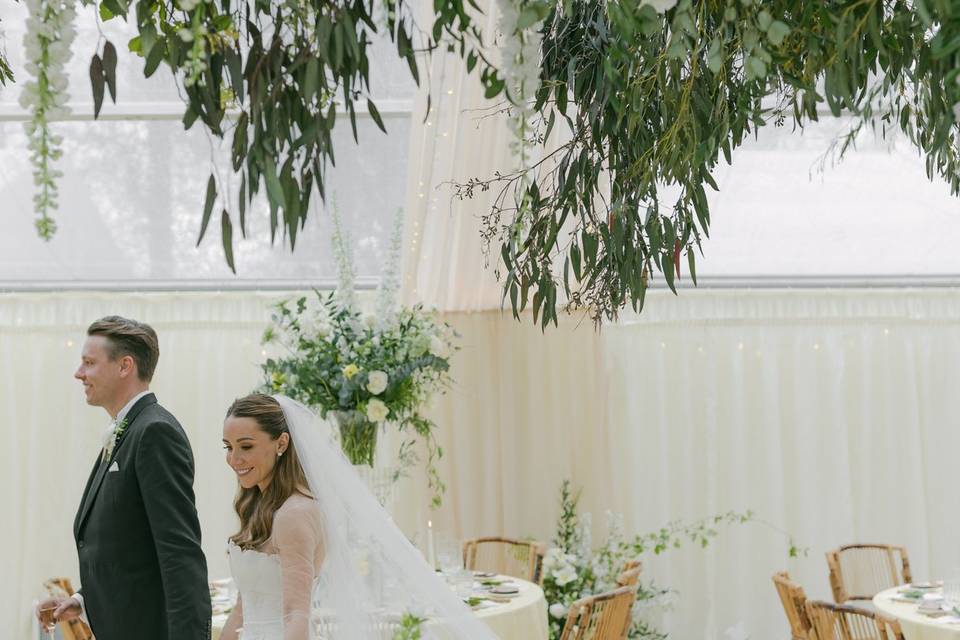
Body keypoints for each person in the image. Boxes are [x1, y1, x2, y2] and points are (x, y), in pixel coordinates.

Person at [219, 393, 495, 639]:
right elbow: (242, 611)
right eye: (228, 447)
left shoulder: (295, 513)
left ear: (281, 443)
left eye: (246, 446)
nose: (234, 459)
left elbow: (296, 615)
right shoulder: (257, 506)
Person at [36, 316, 211, 640]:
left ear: (124, 366)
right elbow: (131, 548)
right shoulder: (128, 430)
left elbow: (178, 553)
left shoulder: (154, 432)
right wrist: (83, 600)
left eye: (89, 362)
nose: (79, 373)